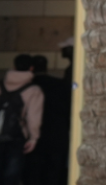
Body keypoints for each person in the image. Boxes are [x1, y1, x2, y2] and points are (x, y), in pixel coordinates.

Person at [0, 55, 44, 185]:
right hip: (17, 137)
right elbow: (33, 117)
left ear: (14, 67)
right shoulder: (34, 90)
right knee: (11, 176)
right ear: (31, 68)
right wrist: (34, 138)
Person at [26, 55, 70, 185]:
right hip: (57, 132)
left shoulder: (28, 86)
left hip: (33, 133)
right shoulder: (59, 84)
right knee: (54, 170)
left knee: (33, 170)